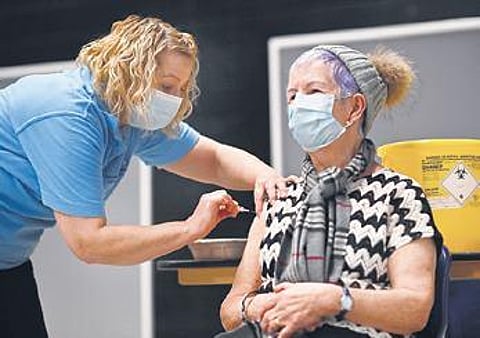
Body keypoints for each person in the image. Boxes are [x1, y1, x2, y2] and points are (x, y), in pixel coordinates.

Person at [0, 15, 290, 338]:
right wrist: (189, 229)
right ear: (131, 72)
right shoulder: (69, 115)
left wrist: (265, 177)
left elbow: (215, 160)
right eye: (167, 86)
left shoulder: (130, 118)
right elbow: (89, 243)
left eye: (180, 88)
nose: (175, 99)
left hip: (9, 261)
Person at [219, 45, 443, 338]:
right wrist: (257, 305)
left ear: (354, 107)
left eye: (313, 91)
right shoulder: (279, 198)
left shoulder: (397, 194)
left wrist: (334, 300)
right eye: (292, 95)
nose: (299, 103)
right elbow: (230, 310)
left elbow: (415, 309)